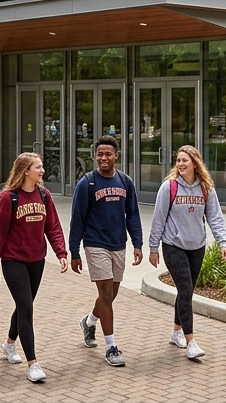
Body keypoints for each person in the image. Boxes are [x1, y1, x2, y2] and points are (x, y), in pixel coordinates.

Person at [0, 152, 68, 384]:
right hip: (13, 260)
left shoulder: (44, 195)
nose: (42, 171)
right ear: (25, 171)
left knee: (25, 306)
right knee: (26, 308)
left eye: (41, 167)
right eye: (38, 167)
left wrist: (61, 253)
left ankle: (9, 344)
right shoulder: (8, 198)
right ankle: (33, 364)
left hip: (37, 260)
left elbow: (53, 227)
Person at [147, 145, 226, 361]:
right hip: (173, 245)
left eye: (185, 160)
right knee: (185, 289)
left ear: (195, 162)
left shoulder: (206, 188)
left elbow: (215, 217)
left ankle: (176, 332)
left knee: (187, 292)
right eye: (178, 160)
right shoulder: (169, 187)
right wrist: (153, 248)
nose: (180, 164)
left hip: (197, 246)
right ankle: (191, 342)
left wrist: (223, 242)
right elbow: (158, 219)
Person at [68, 135, 143, 368]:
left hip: (118, 244)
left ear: (116, 156)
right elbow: (77, 219)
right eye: (99, 154)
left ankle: (89, 322)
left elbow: (132, 214)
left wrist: (138, 243)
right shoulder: (87, 183)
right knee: (107, 294)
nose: (103, 158)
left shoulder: (125, 181)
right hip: (95, 244)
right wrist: (74, 251)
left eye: (108, 154)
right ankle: (111, 346)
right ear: (95, 156)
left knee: (110, 294)